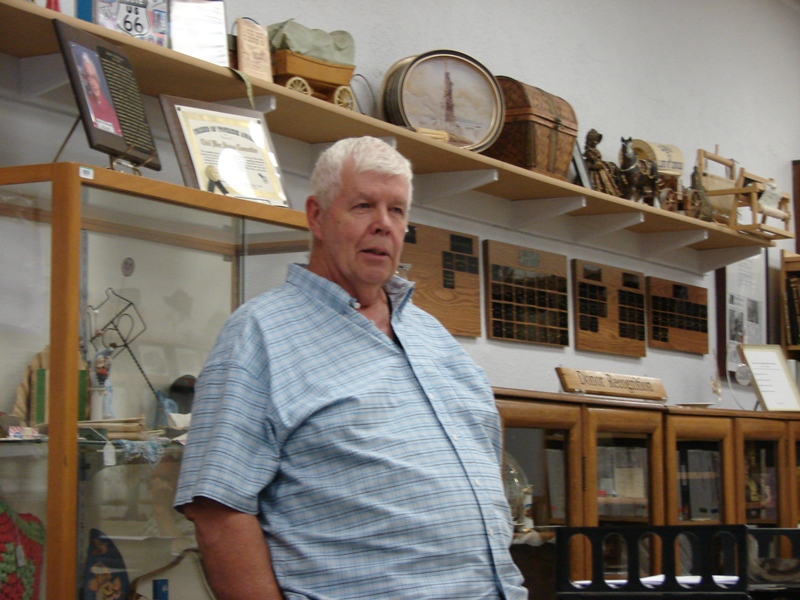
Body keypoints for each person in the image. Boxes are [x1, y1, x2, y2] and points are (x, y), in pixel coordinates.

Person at [174, 136, 525, 599]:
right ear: (316, 216)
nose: (383, 224)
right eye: (363, 206)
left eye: (396, 210)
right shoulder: (259, 335)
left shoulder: (435, 338)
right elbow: (219, 514)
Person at [78, 49, 122, 136]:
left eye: (94, 77)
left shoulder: (112, 103)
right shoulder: (87, 104)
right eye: (88, 77)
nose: (92, 82)